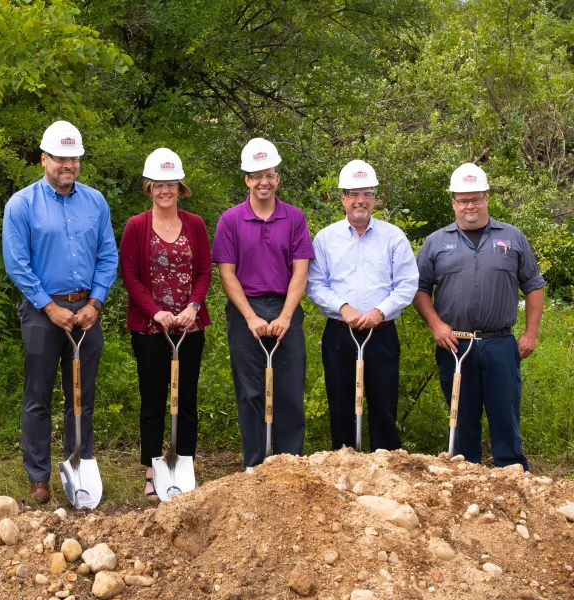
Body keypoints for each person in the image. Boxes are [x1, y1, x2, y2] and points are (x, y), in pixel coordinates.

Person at [2, 120, 119, 504]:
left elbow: (107, 255)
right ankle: (38, 476)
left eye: (74, 157)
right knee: (38, 395)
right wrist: (50, 307)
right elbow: (17, 264)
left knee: (82, 395)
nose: (68, 164)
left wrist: (96, 302)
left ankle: (80, 462)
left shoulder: (95, 202)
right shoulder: (22, 204)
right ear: (44, 159)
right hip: (42, 310)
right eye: (60, 157)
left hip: (87, 309)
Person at [413, 163, 544, 470]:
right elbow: (418, 289)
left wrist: (530, 334)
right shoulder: (435, 242)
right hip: (454, 344)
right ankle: (464, 479)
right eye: (462, 199)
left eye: (475, 198)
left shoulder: (512, 238)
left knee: (505, 415)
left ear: (486, 198)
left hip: (499, 343)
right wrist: (436, 325)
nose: (469, 205)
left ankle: (511, 475)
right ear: (453, 202)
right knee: (462, 418)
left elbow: (534, 286)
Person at [212, 138, 314, 470]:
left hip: (286, 308)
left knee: (289, 388)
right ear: (247, 179)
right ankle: (254, 465)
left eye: (269, 174)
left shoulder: (294, 218)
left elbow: (301, 270)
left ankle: (289, 464)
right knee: (251, 391)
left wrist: (286, 316)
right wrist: (250, 317)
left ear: (277, 178)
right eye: (256, 175)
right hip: (246, 311)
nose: (263, 182)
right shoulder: (230, 220)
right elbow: (227, 274)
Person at [307, 160, 418, 452]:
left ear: (374, 198)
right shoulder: (326, 238)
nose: (361, 200)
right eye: (354, 194)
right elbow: (316, 284)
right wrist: (344, 308)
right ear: (342, 198)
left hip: (381, 333)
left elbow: (407, 284)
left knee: (384, 406)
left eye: (367, 193)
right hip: (341, 333)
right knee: (341, 406)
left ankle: (385, 468)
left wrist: (379, 312)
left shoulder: (393, 237)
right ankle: (344, 469)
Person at [119, 148, 211, 499]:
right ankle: (151, 469)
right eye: (158, 184)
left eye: (170, 183)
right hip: (149, 328)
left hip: (190, 326)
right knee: (154, 399)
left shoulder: (196, 224)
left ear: (180, 186)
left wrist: (193, 306)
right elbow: (129, 275)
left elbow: (204, 271)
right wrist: (154, 311)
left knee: (186, 399)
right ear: (149, 187)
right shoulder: (137, 226)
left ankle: (183, 465)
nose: (164, 190)